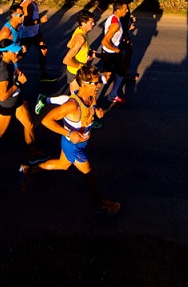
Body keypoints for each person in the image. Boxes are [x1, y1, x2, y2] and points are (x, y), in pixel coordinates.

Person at [19, 65, 120, 216]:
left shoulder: (90, 96)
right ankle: (100, 205)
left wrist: (96, 110)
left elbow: (92, 105)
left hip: (80, 143)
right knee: (90, 174)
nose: (99, 85)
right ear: (85, 84)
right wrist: (69, 133)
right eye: (96, 82)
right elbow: (47, 120)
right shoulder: (71, 105)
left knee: (62, 165)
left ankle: (29, 170)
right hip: (73, 146)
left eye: (98, 81)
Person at [34, 10, 96, 115]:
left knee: (82, 97)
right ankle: (45, 100)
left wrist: (85, 53)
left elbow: (69, 44)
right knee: (76, 100)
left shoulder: (79, 30)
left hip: (78, 72)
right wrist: (82, 67)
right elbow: (66, 60)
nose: (94, 24)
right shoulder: (81, 38)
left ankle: (90, 116)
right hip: (76, 73)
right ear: (83, 23)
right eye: (91, 23)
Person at [20, 0, 54, 82]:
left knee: (44, 49)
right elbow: (25, 22)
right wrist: (40, 21)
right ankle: (1, 66)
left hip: (34, 33)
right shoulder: (28, 4)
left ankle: (43, 75)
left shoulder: (32, 2)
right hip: (26, 35)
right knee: (20, 55)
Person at [100, 0, 129, 104]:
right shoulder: (115, 24)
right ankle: (89, 81)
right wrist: (116, 49)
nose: (126, 11)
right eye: (125, 9)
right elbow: (104, 41)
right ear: (117, 10)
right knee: (107, 78)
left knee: (121, 72)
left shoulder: (113, 18)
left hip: (112, 53)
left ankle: (113, 94)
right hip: (110, 54)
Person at [0, 3, 26, 79]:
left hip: (13, 56)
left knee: (14, 76)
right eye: (21, 15)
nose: (23, 17)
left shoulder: (20, 26)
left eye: (23, 14)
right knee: (6, 78)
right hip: (4, 59)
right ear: (13, 16)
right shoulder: (6, 31)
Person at [119, 0, 139, 82]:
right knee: (128, 52)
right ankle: (123, 73)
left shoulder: (125, 4)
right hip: (121, 33)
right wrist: (128, 27)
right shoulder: (122, 5)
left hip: (124, 32)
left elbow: (126, 16)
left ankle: (121, 72)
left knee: (122, 53)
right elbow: (118, 21)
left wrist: (131, 18)